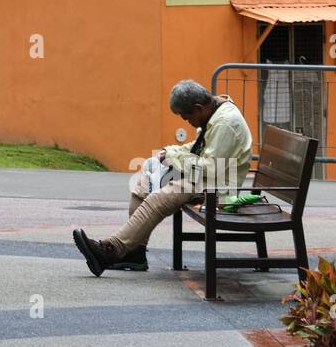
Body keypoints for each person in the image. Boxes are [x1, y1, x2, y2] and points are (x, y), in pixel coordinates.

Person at [72, 79, 253, 275]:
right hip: (203, 176)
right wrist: (170, 151)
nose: (188, 122)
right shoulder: (213, 111)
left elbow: (211, 166)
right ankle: (134, 254)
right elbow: (198, 147)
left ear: (198, 107)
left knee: (159, 197)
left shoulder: (226, 123)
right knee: (144, 185)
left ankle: (110, 250)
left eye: (187, 118)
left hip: (220, 184)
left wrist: (174, 157)